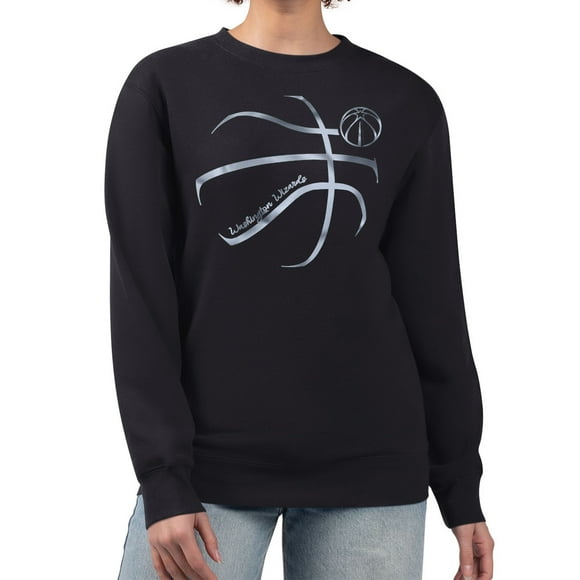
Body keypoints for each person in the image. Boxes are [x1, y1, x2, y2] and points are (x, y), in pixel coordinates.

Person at [104, 0, 495, 578]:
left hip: (373, 469)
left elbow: (433, 304)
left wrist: (461, 489)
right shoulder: (163, 85)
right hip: (207, 470)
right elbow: (142, 295)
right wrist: (163, 475)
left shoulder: (405, 99)